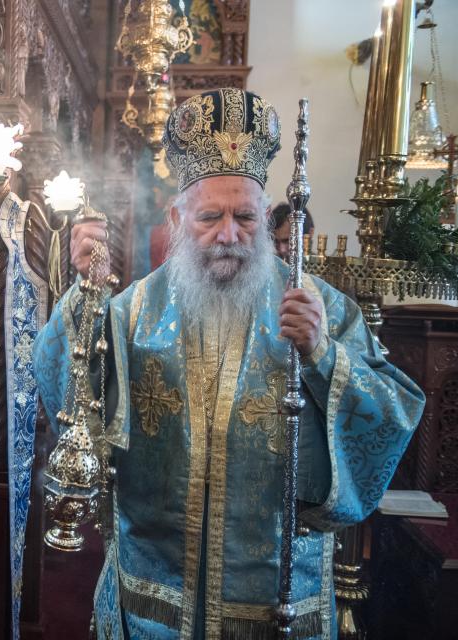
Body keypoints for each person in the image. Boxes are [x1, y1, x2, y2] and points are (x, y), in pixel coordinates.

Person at [33, 88, 424, 640]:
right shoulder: (134, 310)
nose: (228, 235)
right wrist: (86, 292)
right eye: (210, 217)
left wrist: (322, 354)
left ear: (265, 217)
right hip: (154, 595)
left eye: (244, 216)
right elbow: (61, 380)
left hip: (275, 602)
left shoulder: (318, 307)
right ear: (176, 216)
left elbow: (393, 414)